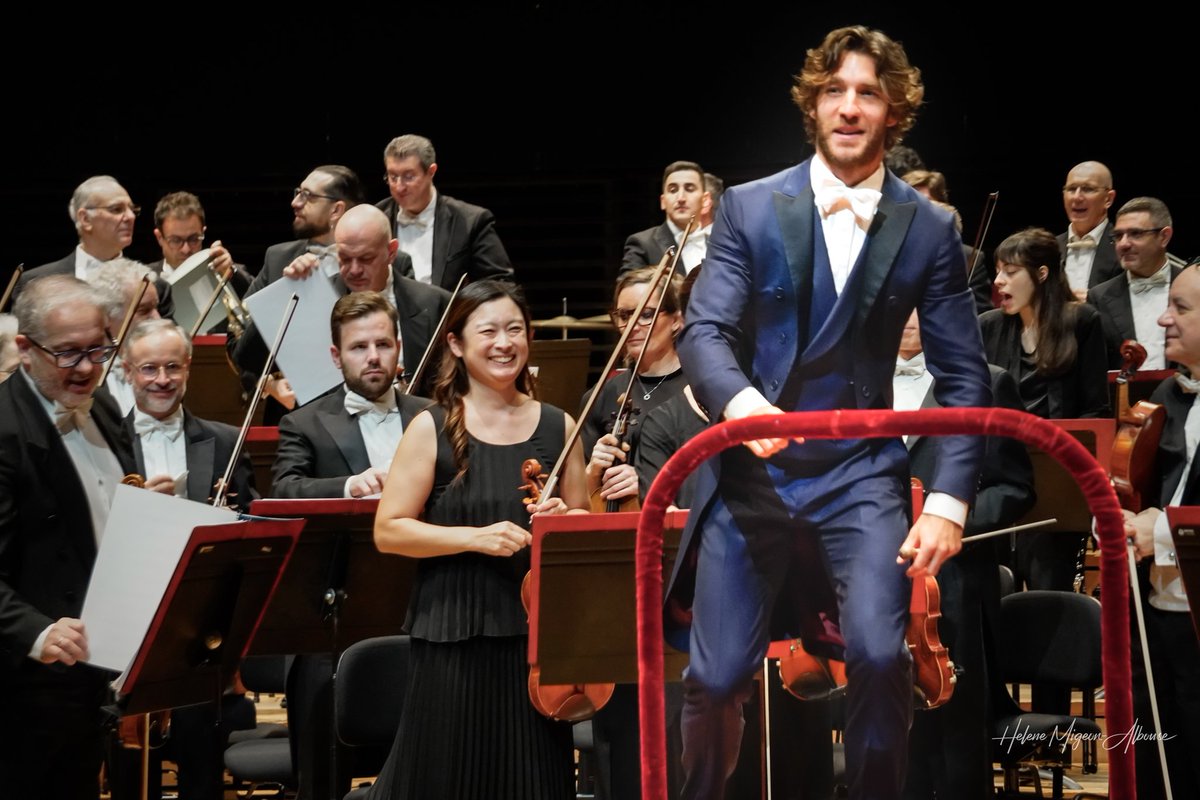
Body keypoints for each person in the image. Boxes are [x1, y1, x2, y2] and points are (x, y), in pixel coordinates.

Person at [671, 25, 991, 800]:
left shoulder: (931, 226)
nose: (849, 108)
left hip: (862, 475)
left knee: (884, 660)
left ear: (894, 111)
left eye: (868, 93)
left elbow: (963, 376)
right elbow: (704, 331)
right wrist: (746, 409)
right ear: (813, 105)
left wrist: (947, 501)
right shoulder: (747, 207)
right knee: (714, 679)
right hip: (752, 473)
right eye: (835, 91)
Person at [370, 280, 586, 799]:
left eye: (515, 329)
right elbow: (389, 530)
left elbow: (585, 527)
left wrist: (566, 521)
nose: (504, 342)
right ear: (456, 344)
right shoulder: (431, 427)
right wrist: (473, 537)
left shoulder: (559, 427)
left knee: (532, 783)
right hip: (452, 634)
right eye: (487, 331)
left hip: (535, 643)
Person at [270, 290, 431, 800]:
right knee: (321, 763)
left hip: (423, 610)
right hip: (332, 620)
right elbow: (283, 491)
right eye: (359, 347)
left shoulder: (435, 415)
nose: (374, 357)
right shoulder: (304, 422)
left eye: (383, 344)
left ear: (399, 347)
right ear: (337, 356)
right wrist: (346, 485)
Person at [0, 275, 137, 799]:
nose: (86, 368)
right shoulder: (5, 431)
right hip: (27, 684)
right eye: (68, 353)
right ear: (24, 349)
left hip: (98, 664)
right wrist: (35, 633)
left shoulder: (103, 408)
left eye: (98, 348)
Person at [114, 317, 258, 799]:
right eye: (148, 368)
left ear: (190, 369)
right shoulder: (103, 442)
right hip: (125, 624)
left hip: (197, 626)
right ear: (127, 372)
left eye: (172, 366)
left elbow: (251, 528)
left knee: (202, 766)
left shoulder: (222, 441)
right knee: (129, 773)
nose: (161, 379)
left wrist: (228, 519)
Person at [894, 310, 1036, 799]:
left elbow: (1014, 487)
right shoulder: (853, 386)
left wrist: (947, 522)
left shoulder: (989, 383)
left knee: (955, 735)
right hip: (875, 579)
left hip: (951, 585)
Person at [980, 227, 1109, 592]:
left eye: (1010, 271)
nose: (999, 281)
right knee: (997, 584)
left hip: (1056, 474)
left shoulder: (1081, 321)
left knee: (1049, 582)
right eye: (997, 270)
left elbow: (1094, 408)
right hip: (1001, 475)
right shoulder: (988, 326)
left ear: (1041, 273)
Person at [231, 202, 449, 418]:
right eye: (344, 258)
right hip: (332, 438)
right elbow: (247, 359)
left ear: (391, 252)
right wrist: (285, 292)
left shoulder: (435, 303)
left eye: (366, 259)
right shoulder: (312, 297)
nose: (354, 270)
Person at [1122, 262, 1200, 798]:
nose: (1163, 319)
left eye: (1182, 308)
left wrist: (1163, 533)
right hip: (1155, 608)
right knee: (1155, 749)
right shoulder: (1166, 400)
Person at [227, 165, 375, 418]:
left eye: (308, 195)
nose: (295, 202)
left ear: (336, 210)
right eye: (298, 193)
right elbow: (239, 346)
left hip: (362, 409)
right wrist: (268, 383)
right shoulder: (277, 259)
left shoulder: (377, 261)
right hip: (290, 414)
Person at [16, 175, 174, 319]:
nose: (131, 217)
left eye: (132, 210)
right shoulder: (34, 283)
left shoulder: (154, 285)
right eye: (116, 209)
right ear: (85, 219)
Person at [375, 133, 514, 289]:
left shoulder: (470, 221)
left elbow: (500, 282)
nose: (399, 187)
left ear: (431, 172)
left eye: (409, 176)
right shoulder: (374, 219)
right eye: (393, 177)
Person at [1087, 197, 1180, 369]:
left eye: (1135, 234)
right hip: (1123, 395)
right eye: (1118, 235)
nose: (1123, 244)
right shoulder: (1098, 296)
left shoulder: (1193, 286)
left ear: (1164, 237)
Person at [91, 259, 161, 415]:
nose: (157, 318)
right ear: (106, 316)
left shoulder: (162, 371)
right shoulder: (88, 374)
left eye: (156, 307)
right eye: (144, 310)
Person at [149, 190, 251, 294]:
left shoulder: (226, 270)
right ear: (159, 237)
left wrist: (231, 274)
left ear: (203, 232)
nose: (186, 249)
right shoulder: (143, 282)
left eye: (193, 239)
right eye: (176, 240)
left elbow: (256, 294)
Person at [621, 161, 710, 275]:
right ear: (663, 201)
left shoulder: (721, 245)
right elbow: (627, 290)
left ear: (705, 200)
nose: (681, 198)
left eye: (689, 189)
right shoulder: (642, 244)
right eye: (673, 190)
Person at [1057, 161, 1122, 300]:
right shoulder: (1048, 247)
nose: (1077, 197)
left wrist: (1094, 301)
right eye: (1071, 189)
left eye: (1088, 189)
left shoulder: (1125, 246)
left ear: (1108, 199)